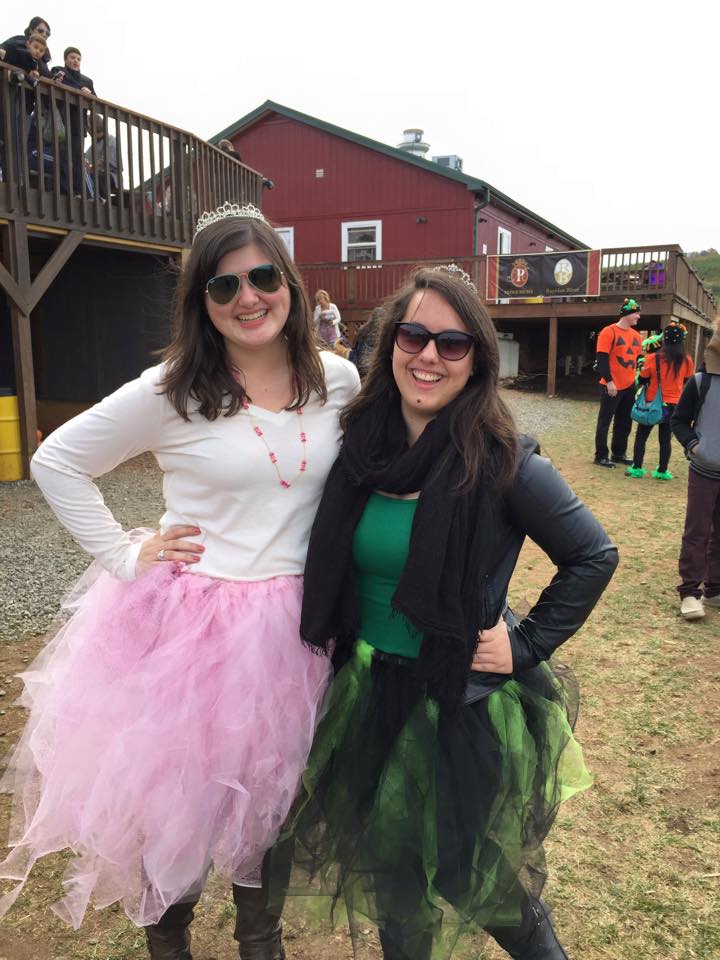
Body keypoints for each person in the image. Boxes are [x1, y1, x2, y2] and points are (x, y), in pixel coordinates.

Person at [0, 201, 360, 959]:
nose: (247, 298)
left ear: (290, 285)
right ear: (202, 301)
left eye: (263, 276)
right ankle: (172, 942)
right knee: (185, 804)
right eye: (223, 287)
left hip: (303, 625)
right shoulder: (172, 391)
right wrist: (126, 556)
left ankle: (261, 943)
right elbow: (57, 462)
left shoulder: (338, 379)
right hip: (200, 631)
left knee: (277, 794)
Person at [272, 264, 618, 959]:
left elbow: (593, 556)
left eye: (452, 343)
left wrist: (525, 646)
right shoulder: (358, 453)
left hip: (452, 701)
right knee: (394, 878)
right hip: (365, 691)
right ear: (389, 344)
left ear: (475, 361)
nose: (429, 355)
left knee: (470, 876)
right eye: (415, 335)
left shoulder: (502, 461)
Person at [671, 321, 720, 621]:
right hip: (704, 471)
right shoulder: (701, 382)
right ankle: (690, 592)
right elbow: (679, 420)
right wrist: (693, 446)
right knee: (697, 532)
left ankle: (715, 589)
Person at [626, 321, 694, 480]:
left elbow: (642, 379)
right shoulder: (687, 360)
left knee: (641, 437)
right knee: (665, 440)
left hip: (652, 404)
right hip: (674, 405)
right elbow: (687, 380)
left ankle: (637, 468)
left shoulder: (652, 358)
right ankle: (662, 471)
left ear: (664, 339)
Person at [593, 298, 644, 467]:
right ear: (627, 313)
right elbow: (602, 358)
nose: (638, 316)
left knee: (624, 421)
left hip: (630, 385)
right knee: (605, 421)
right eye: (636, 313)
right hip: (612, 385)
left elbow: (638, 359)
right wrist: (609, 381)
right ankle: (600, 455)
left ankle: (618, 453)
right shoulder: (608, 332)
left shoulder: (636, 336)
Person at [52, 47, 96, 197]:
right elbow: (57, 82)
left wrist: (89, 94)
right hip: (62, 122)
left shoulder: (87, 81)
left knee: (77, 159)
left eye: (78, 58)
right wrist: (79, 90)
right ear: (66, 59)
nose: (75, 61)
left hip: (79, 123)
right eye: (72, 57)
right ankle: (65, 191)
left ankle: (78, 190)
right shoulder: (59, 71)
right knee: (63, 156)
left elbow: (95, 101)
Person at [85, 113, 119, 197]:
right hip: (96, 173)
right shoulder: (92, 146)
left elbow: (103, 162)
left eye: (87, 128)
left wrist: (90, 167)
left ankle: (102, 200)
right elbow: (86, 160)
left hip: (111, 175)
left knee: (97, 177)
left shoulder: (111, 140)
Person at [349, 306, 383, 378]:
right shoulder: (381, 332)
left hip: (359, 364)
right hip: (373, 367)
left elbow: (354, 346)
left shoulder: (362, 329)